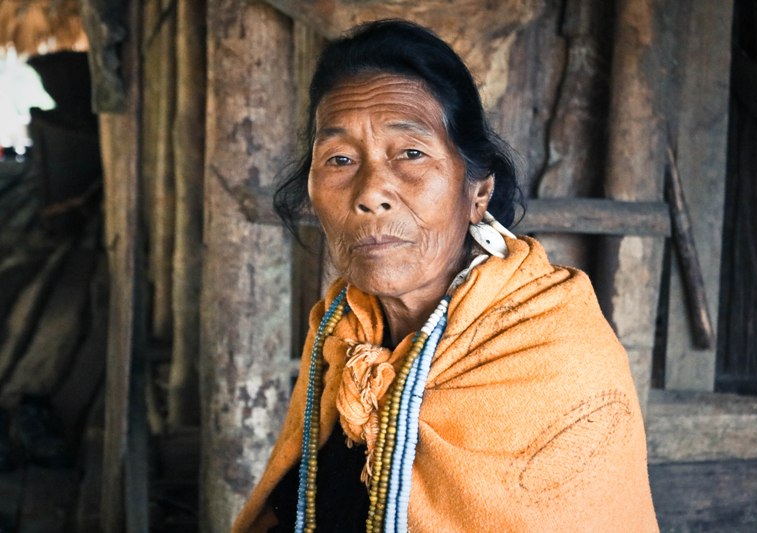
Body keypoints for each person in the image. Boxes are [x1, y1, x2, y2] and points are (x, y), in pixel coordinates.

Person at [233, 19, 658, 533]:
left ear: (477, 193)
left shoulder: (552, 354)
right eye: (340, 159)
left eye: (410, 154)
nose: (371, 192)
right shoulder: (344, 331)